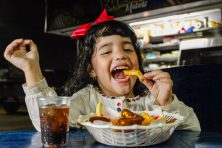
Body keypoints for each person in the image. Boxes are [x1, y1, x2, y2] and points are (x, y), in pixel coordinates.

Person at [3, 10, 200, 132]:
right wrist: (31, 69)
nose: (120, 55)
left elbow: (193, 128)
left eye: (128, 49)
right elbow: (51, 123)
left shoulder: (151, 100)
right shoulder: (86, 99)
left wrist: (166, 104)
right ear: (92, 71)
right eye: (106, 51)